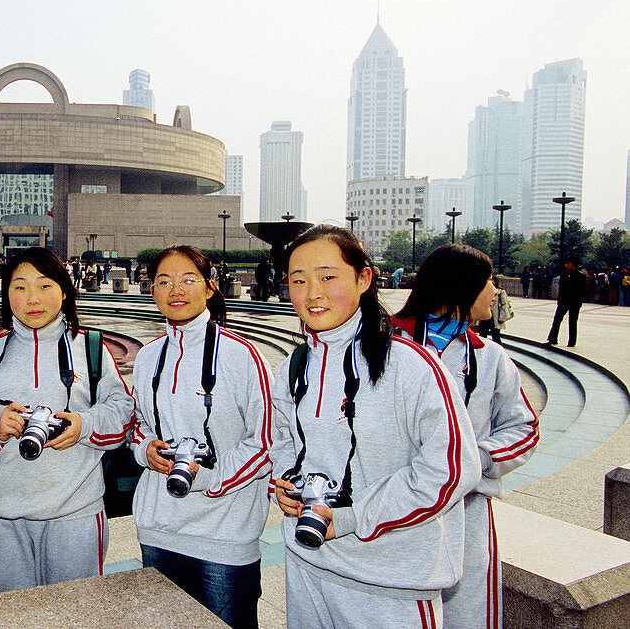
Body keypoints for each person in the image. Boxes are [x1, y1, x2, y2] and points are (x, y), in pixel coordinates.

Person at [270, 224, 480, 627]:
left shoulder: (413, 366)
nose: (312, 292)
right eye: (299, 280)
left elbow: (452, 471)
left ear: (364, 278)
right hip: (307, 569)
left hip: (390, 585)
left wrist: (350, 518)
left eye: (328, 277)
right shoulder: (294, 368)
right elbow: (283, 441)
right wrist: (285, 482)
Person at [0, 247, 133, 594]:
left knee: (75, 615)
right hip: (0, 519)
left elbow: (124, 413)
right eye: (19, 287)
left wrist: (85, 424)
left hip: (75, 515)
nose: (32, 298)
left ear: (64, 291)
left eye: (45, 285)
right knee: (10, 617)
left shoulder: (91, 349)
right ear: (7, 295)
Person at [393, 244, 539, 628]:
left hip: (468, 510)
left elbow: (524, 426)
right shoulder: (384, 346)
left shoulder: (489, 357)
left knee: (468, 613)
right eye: (488, 281)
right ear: (460, 287)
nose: (495, 290)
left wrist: (476, 460)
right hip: (396, 511)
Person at [131, 245, 274, 628]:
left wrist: (208, 476)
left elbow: (266, 441)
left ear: (210, 287)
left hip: (224, 536)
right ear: (152, 290)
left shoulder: (242, 355)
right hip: (159, 529)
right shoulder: (147, 357)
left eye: (188, 280)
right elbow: (137, 422)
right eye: (164, 281)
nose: (176, 290)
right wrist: (145, 449)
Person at [546, 257, 586, 347]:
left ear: (574, 265)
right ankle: (552, 339)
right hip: (563, 302)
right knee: (557, 320)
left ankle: (572, 342)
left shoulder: (581, 276)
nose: (567, 265)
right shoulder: (564, 275)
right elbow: (561, 289)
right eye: (566, 263)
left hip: (574, 303)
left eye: (569, 263)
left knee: (572, 322)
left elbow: (583, 290)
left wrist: (579, 301)